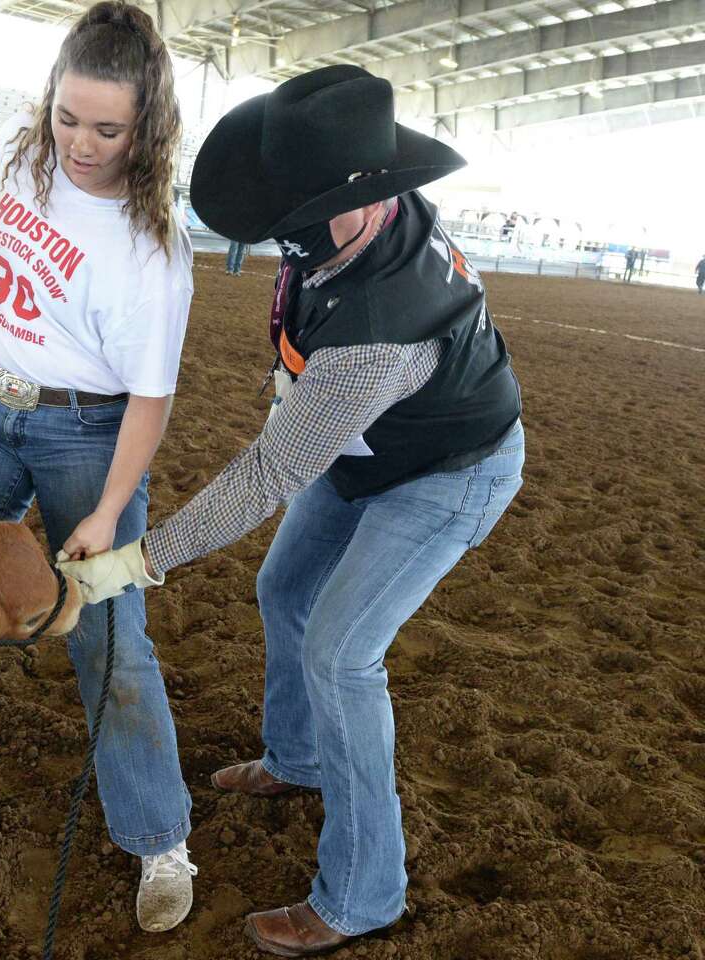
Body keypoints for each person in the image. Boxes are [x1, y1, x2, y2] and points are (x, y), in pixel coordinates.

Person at [58, 65, 525, 957]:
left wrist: (139, 560)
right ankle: (298, 758)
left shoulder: (381, 329)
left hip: (449, 471)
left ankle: (362, 894)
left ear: (360, 199)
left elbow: (269, 472)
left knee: (343, 655)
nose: (289, 240)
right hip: (370, 449)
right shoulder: (361, 227)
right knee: (284, 589)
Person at [0, 2, 198, 934]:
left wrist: (109, 509)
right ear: (50, 98)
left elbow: (151, 400)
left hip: (89, 434)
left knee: (107, 632)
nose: (80, 145)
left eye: (108, 130)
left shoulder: (153, 249)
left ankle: (158, 834)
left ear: (147, 127)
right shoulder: (22, 146)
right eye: (69, 118)